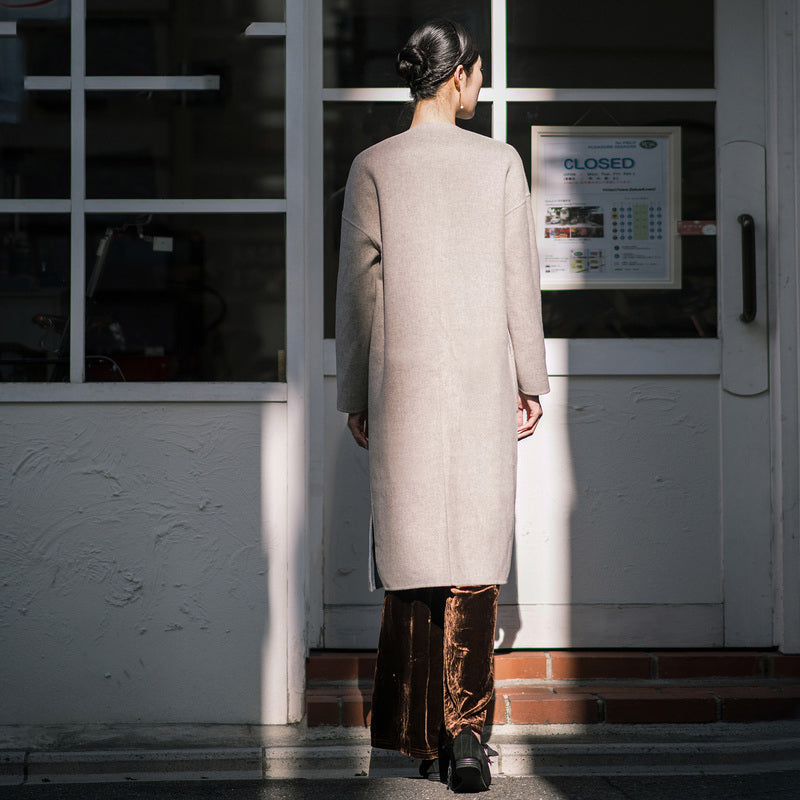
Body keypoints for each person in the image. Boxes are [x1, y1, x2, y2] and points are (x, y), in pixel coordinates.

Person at [335, 18, 549, 793]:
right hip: (479, 377)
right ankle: (466, 735)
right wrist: (531, 375)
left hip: (405, 383)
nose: (481, 86)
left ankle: (416, 733)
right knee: (473, 551)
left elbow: (358, 295)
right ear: (458, 76)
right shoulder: (498, 162)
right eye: (479, 74)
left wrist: (354, 391)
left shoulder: (374, 165)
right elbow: (519, 279)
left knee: (414, 551)